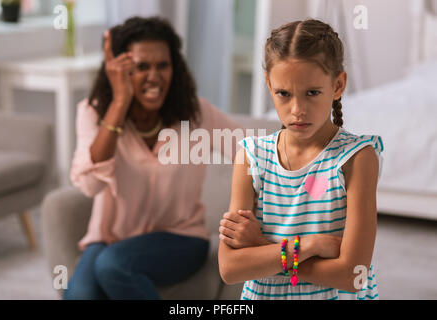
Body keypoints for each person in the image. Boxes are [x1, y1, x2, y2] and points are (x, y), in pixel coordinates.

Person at [64, 16, 241, 300]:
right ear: (118, 71)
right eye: (141, 67)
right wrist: (120, 104)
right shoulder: (93, 113)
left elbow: (250, 151)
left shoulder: (195, 114)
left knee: (113, 266)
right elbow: (90, 186)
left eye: (163, 65)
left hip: (181, 239)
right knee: (79, 295)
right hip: (111, 240)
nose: (154, 76)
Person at [218, 19, 384, 300]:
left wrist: (260, 245)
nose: (297, 110)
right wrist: (308, 245)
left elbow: (353, 274)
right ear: (270, 86)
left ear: (338, 85)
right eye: (284, 93)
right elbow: (231, 268)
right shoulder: (251, 156)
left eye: (312, 93)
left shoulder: (357, 158)